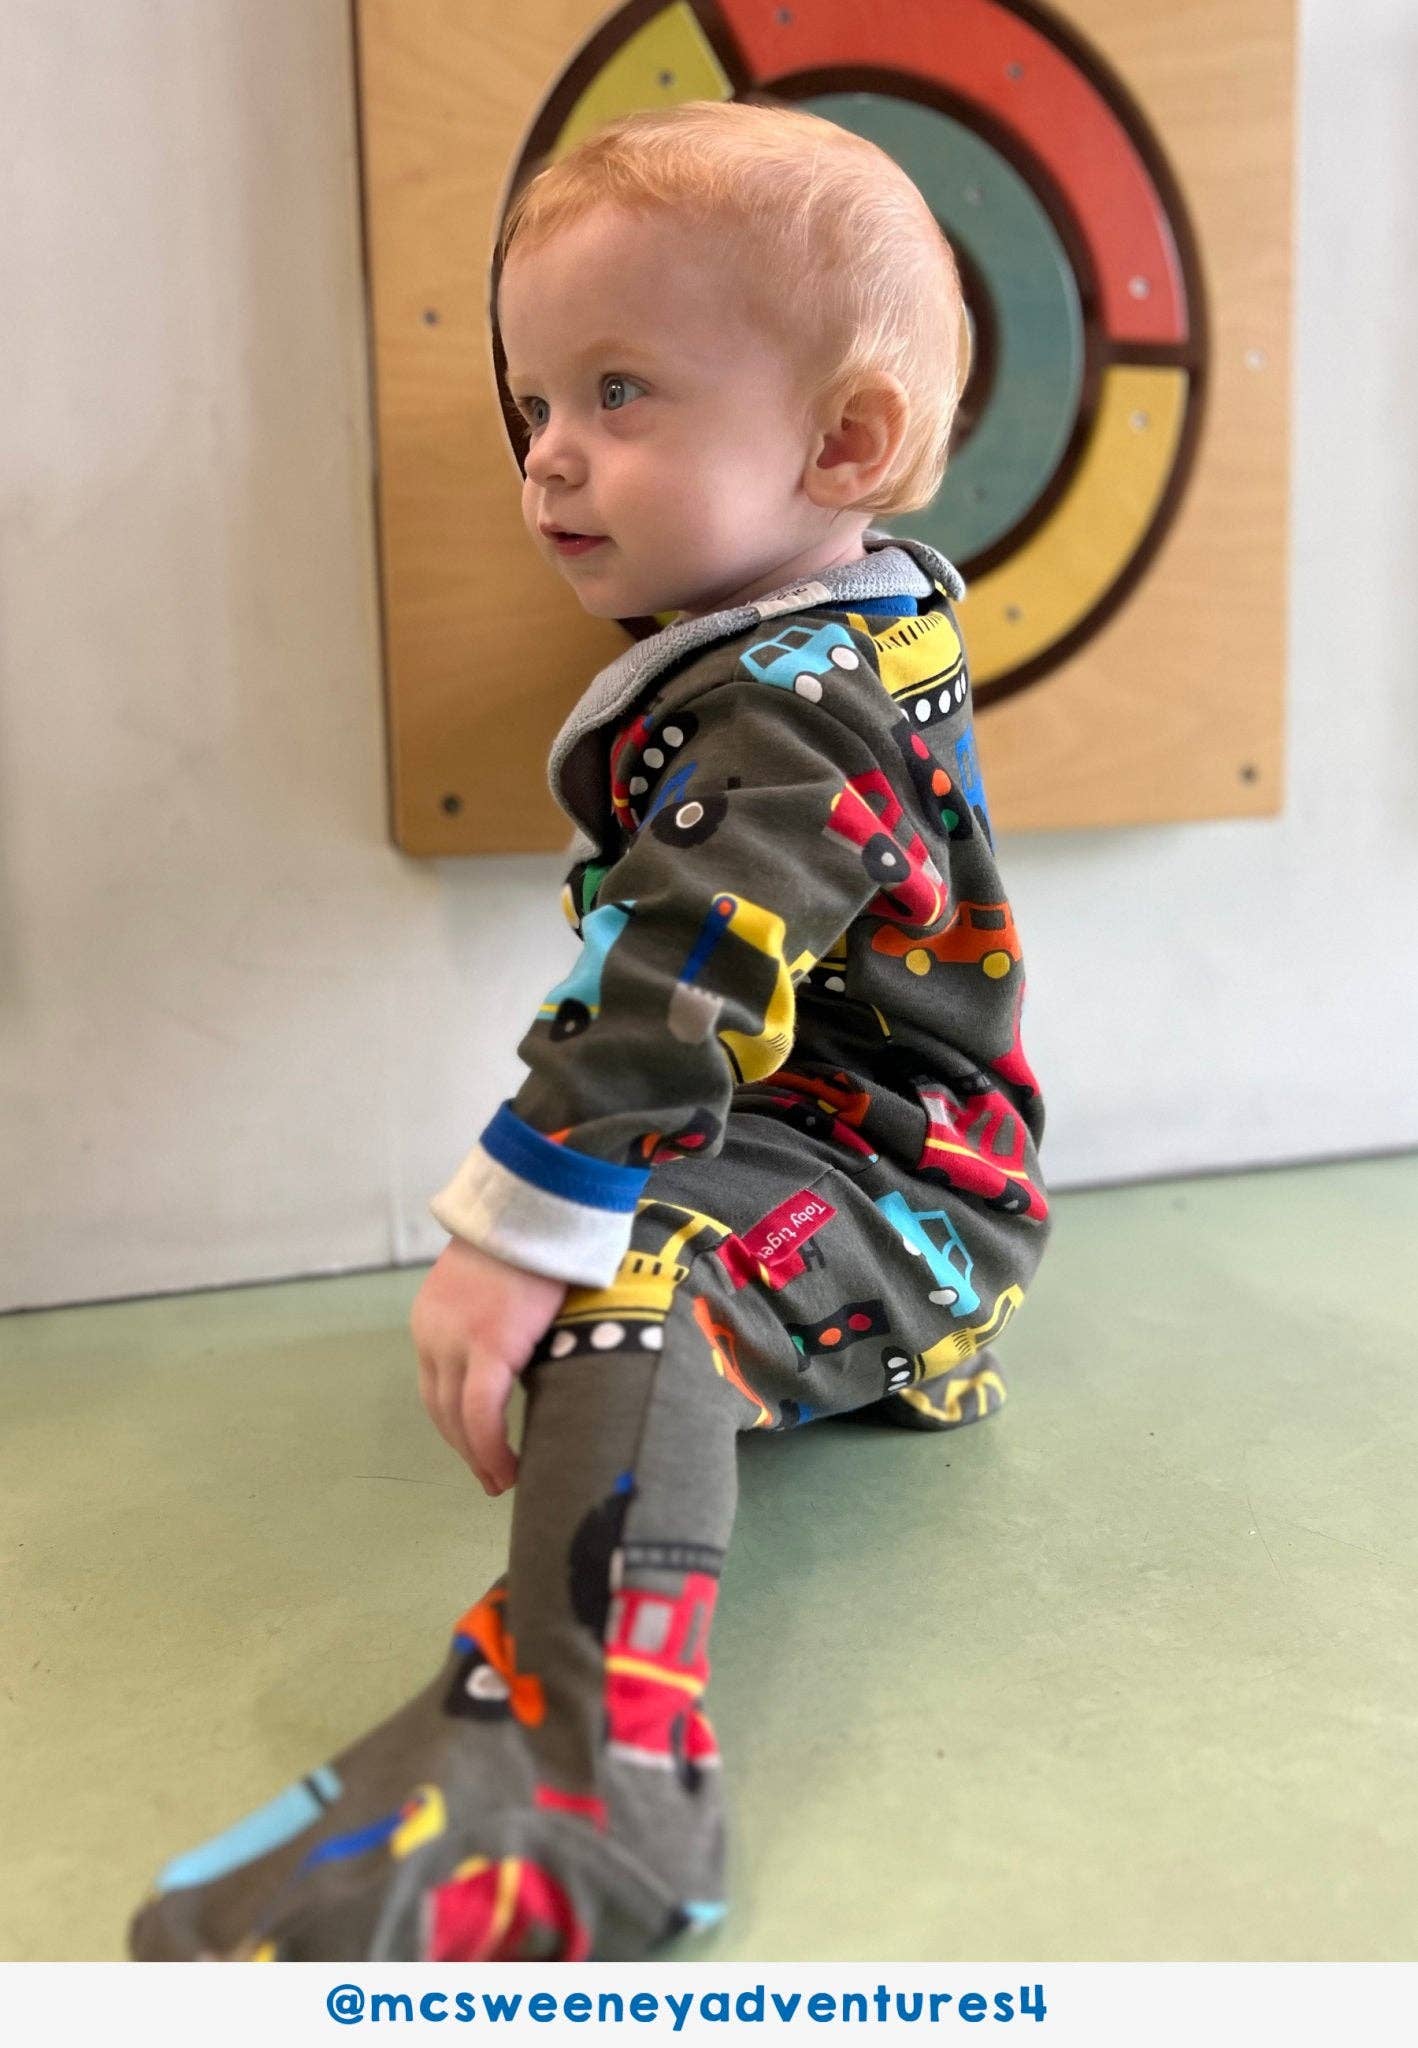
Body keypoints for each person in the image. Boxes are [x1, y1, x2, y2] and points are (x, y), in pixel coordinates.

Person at [129, 97, 1051, 1964]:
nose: (549, 458)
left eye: (619, 394)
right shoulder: (793, 646)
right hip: (822, 1153)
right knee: (620, 1251)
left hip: (902, 1198)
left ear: (844, 441)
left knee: (623, 1282)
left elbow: (683, 975)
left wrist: (518, 1232)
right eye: (533, 405)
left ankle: (599, 1795)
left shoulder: (790, 711)